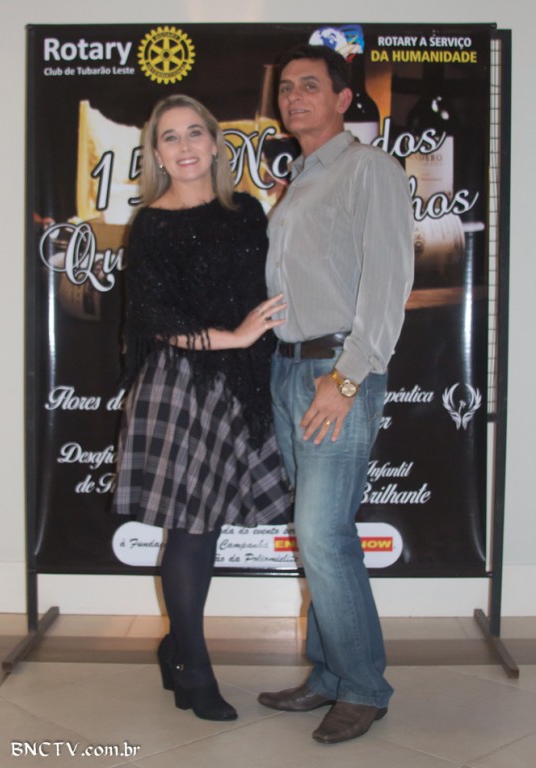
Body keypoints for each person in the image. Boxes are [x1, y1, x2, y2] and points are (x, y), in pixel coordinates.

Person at [112, 94, 291, 722]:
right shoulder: (151, 224)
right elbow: (152, 317)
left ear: (215, 143)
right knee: (190, 530)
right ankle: (194, 666)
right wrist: (234, 337)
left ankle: (175, 647)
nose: (184, 146)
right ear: (157, 154)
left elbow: (271, 284)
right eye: (170, 137)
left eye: (195, 133)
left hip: (241, 383)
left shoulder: (247, 211)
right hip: (181, 384)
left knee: (207, 528)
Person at [258, 44, 414, 744]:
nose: (294, 97)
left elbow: (388, 282)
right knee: (317, 534)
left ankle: (363, 687)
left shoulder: (369, 170)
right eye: (286, 88)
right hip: (290, 369)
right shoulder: (301, 177)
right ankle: (327, 674)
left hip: (336, 370)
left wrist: (347, 378)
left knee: (323, 534)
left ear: (343, 99)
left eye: (310, 86)